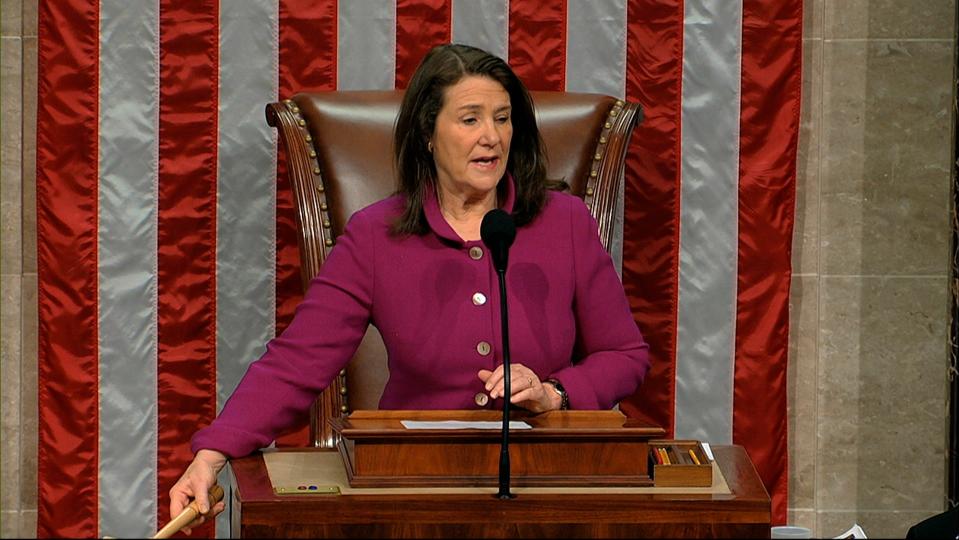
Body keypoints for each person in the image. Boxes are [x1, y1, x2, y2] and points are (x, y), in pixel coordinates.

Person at [169, 43, 650, 533]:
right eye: (470, 119)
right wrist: (213, 452)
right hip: (413, 493)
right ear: (427, 132)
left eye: (502, 119)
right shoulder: (375, 237)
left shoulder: (564, 223)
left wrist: (554, 394)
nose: (491, 137)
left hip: (547, 486)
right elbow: (297, 361)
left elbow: (625, 354)